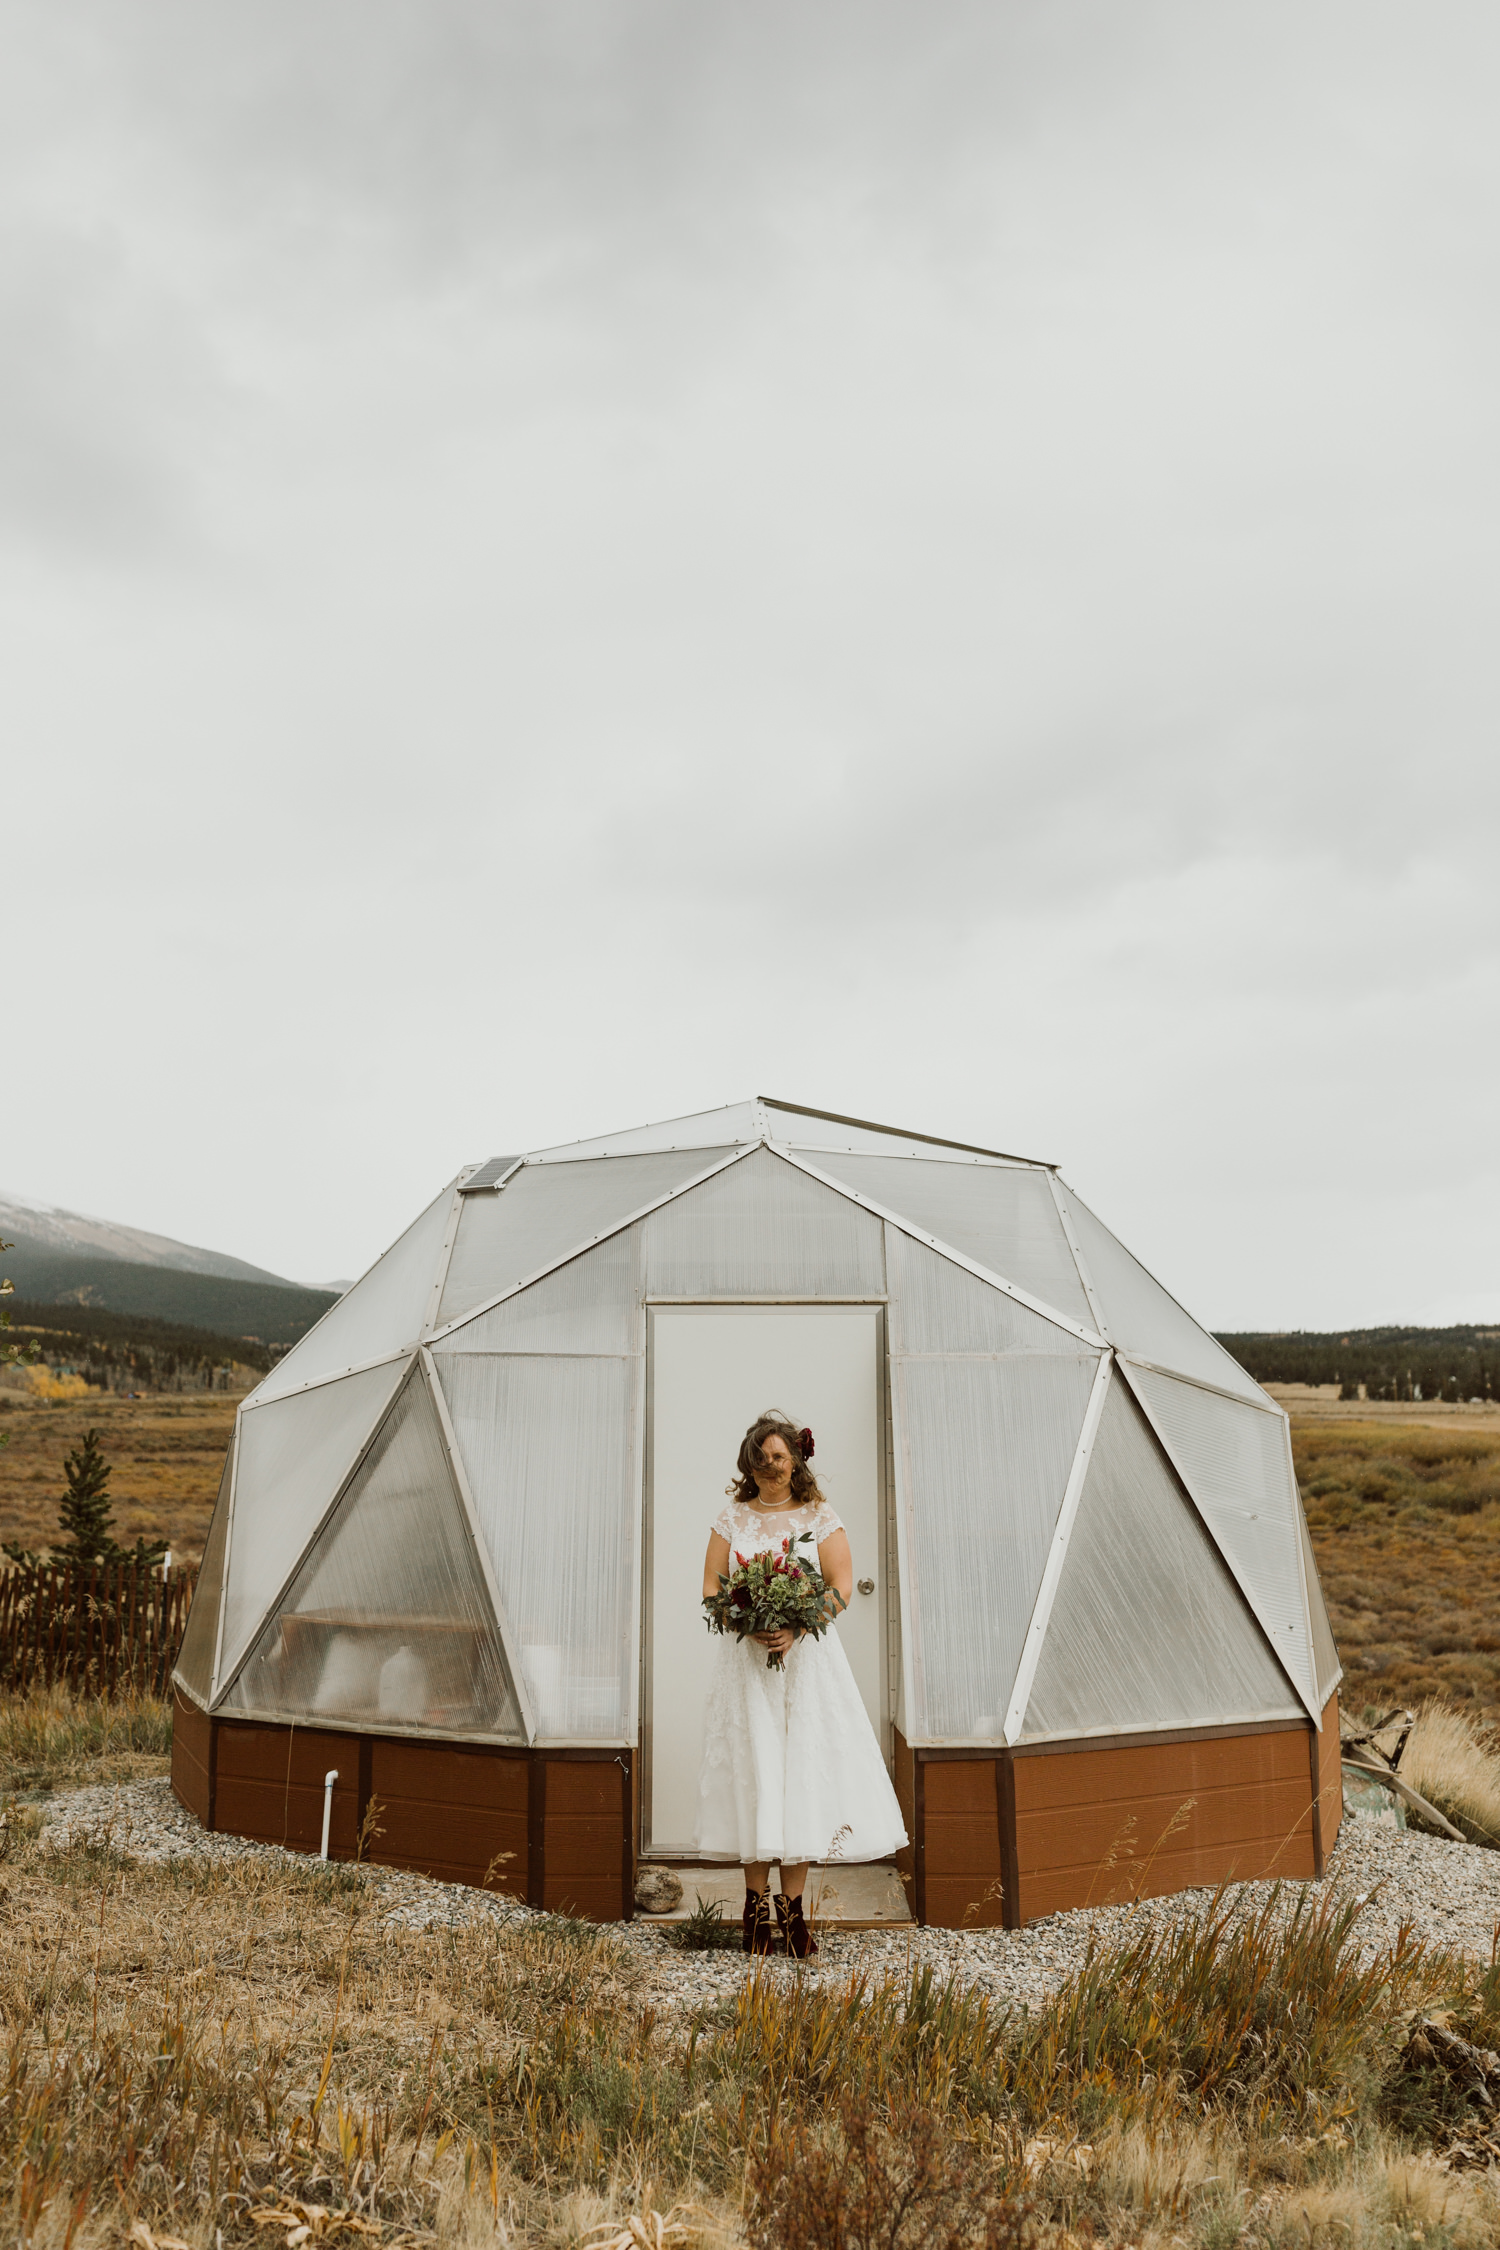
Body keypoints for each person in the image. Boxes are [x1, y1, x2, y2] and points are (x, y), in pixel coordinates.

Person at [696, 1409, 908, 1958]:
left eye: (780, 1457)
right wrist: (748, 1620)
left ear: (796, 1460)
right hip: (746, 1667)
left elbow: (838, 1585)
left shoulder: (819, 1516)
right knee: (756, 1773)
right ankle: (753, 1911)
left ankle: (792, 1915)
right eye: (762, 1459)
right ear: (749, 1465)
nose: (772, 1467)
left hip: (807, 1665)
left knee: (797, 1776)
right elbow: (711, 1588)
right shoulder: (731, 1518)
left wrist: (796, 1623)